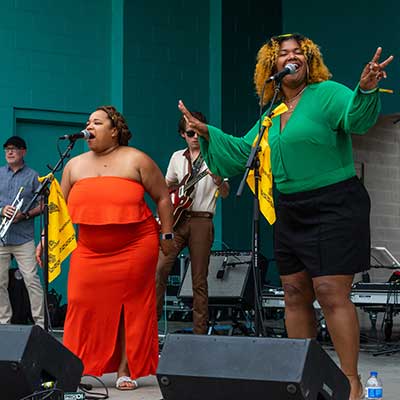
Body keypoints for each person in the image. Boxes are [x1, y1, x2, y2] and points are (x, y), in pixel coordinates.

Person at [178, 34, 393, 400]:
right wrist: (207, 133)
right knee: (294, 292)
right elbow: (241, 152)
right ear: (271, 67)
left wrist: (366, 89)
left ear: (309, 60)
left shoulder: (327, 93)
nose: (291, 57)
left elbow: (355, 118)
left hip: (335, 203)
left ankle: (350, 380)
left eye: (298, 52)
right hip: (291, 208)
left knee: (329, 291)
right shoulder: (272, 114)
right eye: (282, 54)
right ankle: (307, 378)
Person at [36, 106, 174, 391]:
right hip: (89, 248)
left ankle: (125, 369)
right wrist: (44, 241)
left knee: (129, 308)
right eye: (88, 123)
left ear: (115, 130)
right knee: (79, 302)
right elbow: (57, 210)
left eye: (97, 122)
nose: (90, 127)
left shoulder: (137, 159)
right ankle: (74, 365)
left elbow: (162, 197)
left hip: (136, 244)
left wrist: (168, 235)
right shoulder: (74, 164)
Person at [156, 112, 229, 334]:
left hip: (202, 220)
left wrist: (218, 180)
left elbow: (225, 193)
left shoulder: (214, 156)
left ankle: (199, 335)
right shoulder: (177, 157)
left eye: (198, 131)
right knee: (159, 269)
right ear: (182, 135)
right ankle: (149, 329)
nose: (195, 137)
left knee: (199, 278)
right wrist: (173, 199)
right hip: (178, 220)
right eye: (190, 133)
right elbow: (165, 187)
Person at [0, 136, 44, 327]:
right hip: (2, 237)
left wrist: (24, 215)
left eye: (14, 149)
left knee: (31, 280)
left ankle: (40, 324)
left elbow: (43, 204)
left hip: (23, 239)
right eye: (7, 149)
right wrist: (1, 210)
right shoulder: (0, 173)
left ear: (23, 152)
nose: (10, 152)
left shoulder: (33, 176)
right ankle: (4, 322)